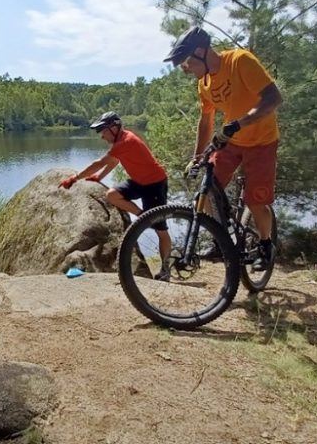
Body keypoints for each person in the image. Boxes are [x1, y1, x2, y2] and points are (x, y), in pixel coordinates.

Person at [164, 26, 282, 271]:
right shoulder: (204, 83)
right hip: (232, 142)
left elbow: (273, 98)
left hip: (262, 141)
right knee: (206, 191)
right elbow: (206, 121)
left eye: (187, 62)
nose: (186, 70)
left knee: (255, 201)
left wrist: (240, 122)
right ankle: (221, 237)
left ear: (201, 51)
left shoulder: (240, 61)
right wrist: (196, 157)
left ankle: (265, 245)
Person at [58, 111, 172, 280]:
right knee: (112, 195)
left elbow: (99, 163)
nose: (102, 136)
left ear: (114, 128)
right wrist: (99, 177)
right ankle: (143, 217)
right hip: (139, 182)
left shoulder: (126, 141)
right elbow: (114, 161)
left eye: (103, 131)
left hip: (155, 184)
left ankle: (165, 269)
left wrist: (74, 178)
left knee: (160, 231)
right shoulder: (121, 141)